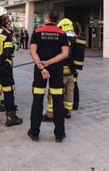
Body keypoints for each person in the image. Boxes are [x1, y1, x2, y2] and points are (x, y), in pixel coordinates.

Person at [28, 10, 69, 143]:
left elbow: (32, 52)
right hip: (57, 70)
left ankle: (34, 133)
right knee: (58, 101)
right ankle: (59, 134)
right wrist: (50, 63)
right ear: (57, 20)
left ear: (47, 18)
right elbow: (65, 54)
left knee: (37, 100)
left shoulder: (37, 32)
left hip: (40, 71)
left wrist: (42, 67)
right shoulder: (62, 34)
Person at [43, 18, 84, 121]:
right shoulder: (76, 39)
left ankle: (50, 114)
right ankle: (68, 111)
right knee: (69, 92)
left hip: (60, 72)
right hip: (71, 72)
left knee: (54, 92)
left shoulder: (61, 39)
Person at [72, 22, 86, 110]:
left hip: (71, 65)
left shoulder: (73, 39)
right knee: (74, 84)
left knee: (72, 85)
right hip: (76, 66)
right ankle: (75, 104)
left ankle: (74, 104)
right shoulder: (80, 38)